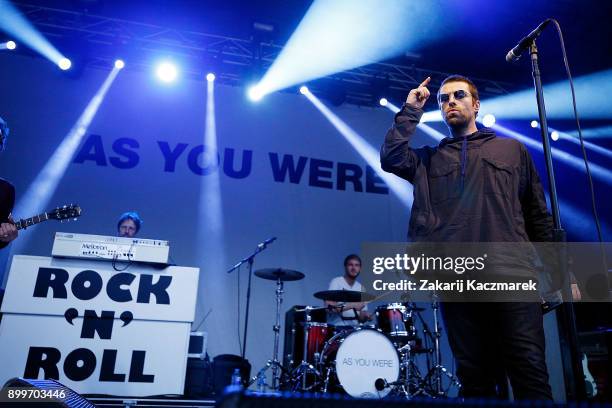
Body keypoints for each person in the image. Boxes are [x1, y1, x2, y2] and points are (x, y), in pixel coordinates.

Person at [380, 75, 554, 400]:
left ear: (475, 104)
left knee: (530, 375)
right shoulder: (429, 159)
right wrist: (411, 110)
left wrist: (555, 273)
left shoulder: (511, 150)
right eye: (443, 99)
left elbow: (537, 215)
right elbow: (391, 158)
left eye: (459, 95)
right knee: (476, 382)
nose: (450, 102)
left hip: (513, 278)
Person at [325, 254, 371, 326]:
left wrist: (366, 316)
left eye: (357, 265)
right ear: (345, 267)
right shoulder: (336, 282)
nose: (354, 268)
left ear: (360, 268)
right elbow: (329, 308)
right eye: (350, 265)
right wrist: (353, 305)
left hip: (355, 330)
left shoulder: (361, 287)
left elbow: (361, 317)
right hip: (337, 328)